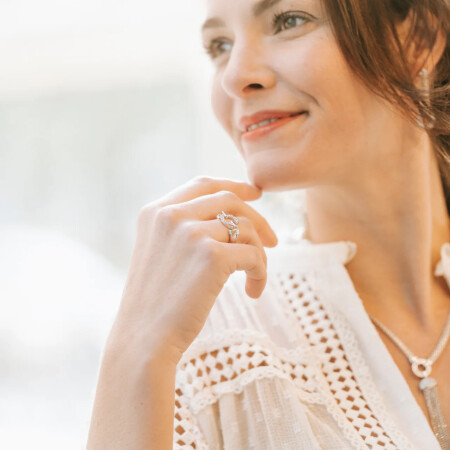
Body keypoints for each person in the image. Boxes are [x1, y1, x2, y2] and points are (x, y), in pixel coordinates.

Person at [86, 0, 450, 448]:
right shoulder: (200, 341)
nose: (235, 76)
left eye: (289, 20)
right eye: (219, 45)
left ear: (419, 38)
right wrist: (135, 348)